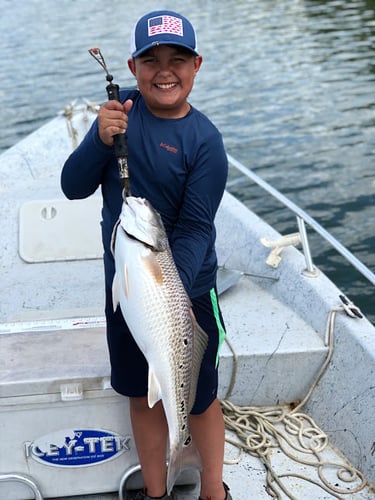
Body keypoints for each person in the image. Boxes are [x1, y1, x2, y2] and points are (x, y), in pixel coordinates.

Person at [61, 10, 231, 500]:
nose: (164, 71)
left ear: (196, 65)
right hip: (129, 291)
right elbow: (73, 187)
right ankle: (156, 491)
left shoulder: (205, 142)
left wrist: (171, 289)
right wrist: (98, 138)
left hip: (188, 293)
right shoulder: (120, 118)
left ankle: (213, 491)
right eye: (151, 59)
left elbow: (198, 227)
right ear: (133, 67)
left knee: (200, 399)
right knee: (142, 392)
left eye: (177, 59)